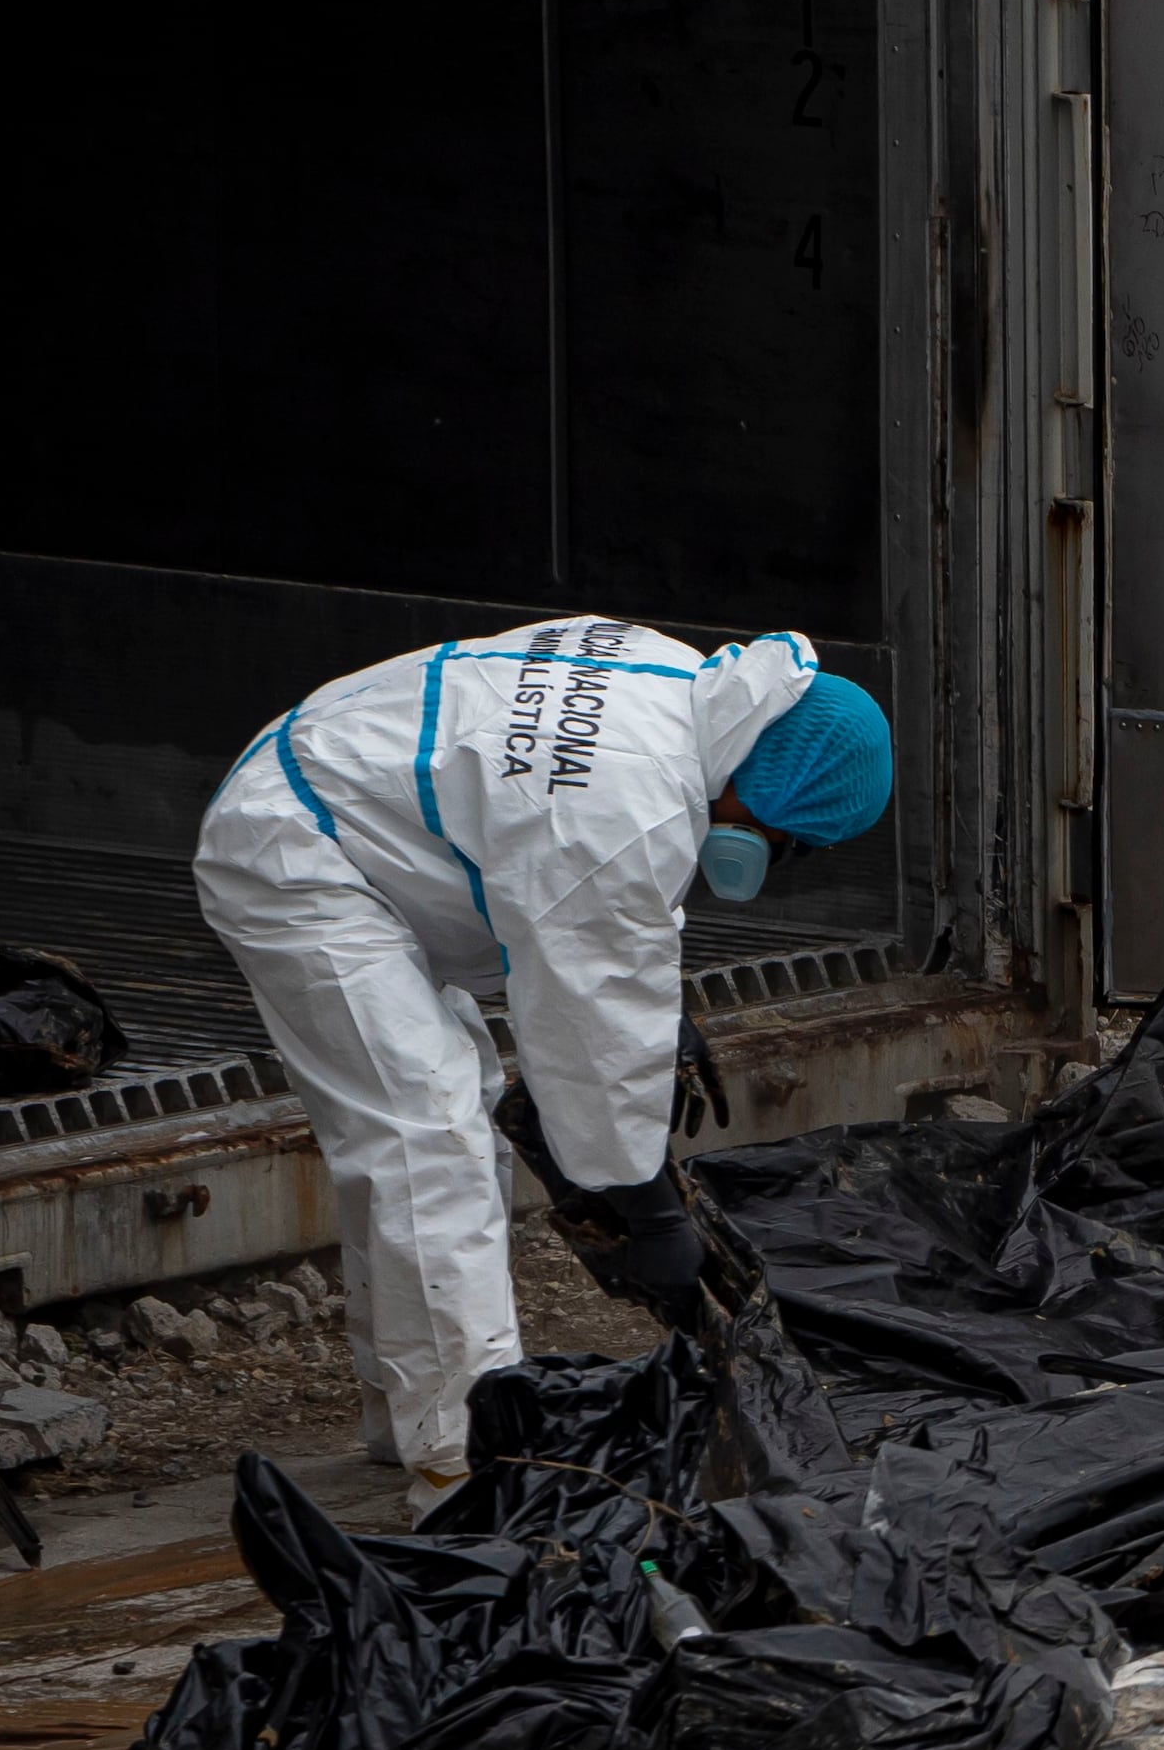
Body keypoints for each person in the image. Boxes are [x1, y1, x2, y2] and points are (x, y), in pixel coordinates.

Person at [193, 624, 890, 1489]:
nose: (766, 858)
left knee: (439, 1130)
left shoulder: (678, 686)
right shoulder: (631, 804)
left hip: (349, 797)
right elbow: (592, 1008)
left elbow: (602, 889)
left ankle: (408, 1417)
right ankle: (471, 1472)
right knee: (427, 1138)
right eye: (780, 842)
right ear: (768, 787)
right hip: (300, 853)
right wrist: (652, 1215)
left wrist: (653, 1008)